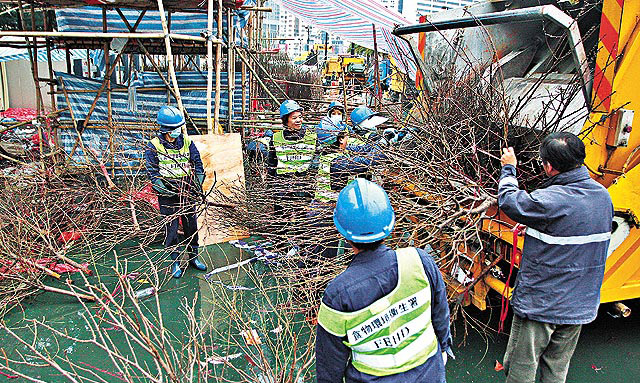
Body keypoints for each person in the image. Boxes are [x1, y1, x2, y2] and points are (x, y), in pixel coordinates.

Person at [498, 132, 613, 383]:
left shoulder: (549, 200)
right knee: (556, 371)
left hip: (541, 306)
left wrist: (508, 169)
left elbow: (509, 202)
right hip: (579, 305)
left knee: (520, 370)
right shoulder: (603, 197)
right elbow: (571, 226)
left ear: (548, 166)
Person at [316, 179, 452, 383]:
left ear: (343, 233)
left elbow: (329, 370)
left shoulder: (337, 296)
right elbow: (441, 315)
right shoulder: (420, 262)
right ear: (390, 222)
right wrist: (443, 349)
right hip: (429, 375)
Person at [145, 105, 208, 278]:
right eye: (175, 129)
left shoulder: (187, 142)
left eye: (180, 128)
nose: (178, 131)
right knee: (171, 230)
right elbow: (153, 173)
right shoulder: (154, 146)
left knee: (191, 226)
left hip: (187, 191)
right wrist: (164, 190)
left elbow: (198, 165)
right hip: (168, 196)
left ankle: (193, 257)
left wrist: (197, 184)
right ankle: (175, 262)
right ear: (166, 129)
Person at [267, 100, 318, 234]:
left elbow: (316, 161)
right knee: (281, 220)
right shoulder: (276, 138)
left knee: (302, 219)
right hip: (282, 184)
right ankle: (280, 246)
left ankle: (301, 247)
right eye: (294, 118)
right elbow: (272, 163)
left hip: (303, 183)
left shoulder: (311, 137)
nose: (298, 120)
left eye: (300, 117)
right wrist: (270, 185)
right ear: (285, 120)